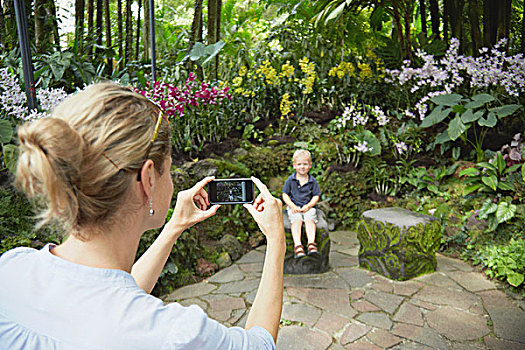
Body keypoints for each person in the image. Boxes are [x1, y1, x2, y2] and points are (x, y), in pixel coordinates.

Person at [0, 82, 285, 349]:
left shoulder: (12, 268)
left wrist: (174, 227)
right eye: (169, 170)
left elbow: (106, 299)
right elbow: (260, 344)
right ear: (148, 178)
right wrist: (276, 242)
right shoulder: (174, 333)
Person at [281, 149, 321, 259]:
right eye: (299, 164)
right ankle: (298, 245)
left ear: (310, 165)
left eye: (305, 164)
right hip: (294, 207)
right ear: (294, 165)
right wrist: (292, 206)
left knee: (310, 220)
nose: (302, 167)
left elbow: (316, 195)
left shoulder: (312, 181)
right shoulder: (290, 180)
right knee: (296, 221)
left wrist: (309, 206)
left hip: (308, 206)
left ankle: (311, 244)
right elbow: (285, 194)